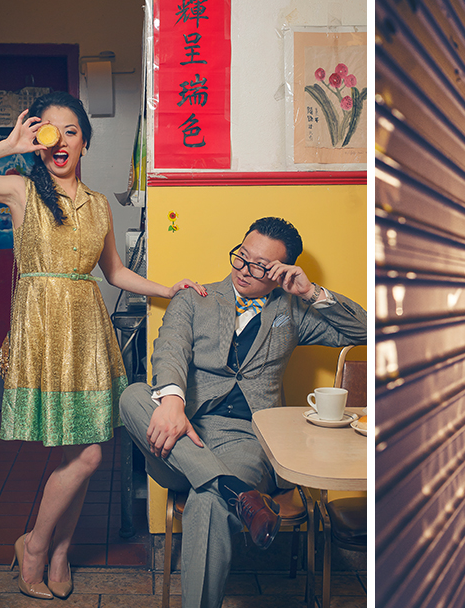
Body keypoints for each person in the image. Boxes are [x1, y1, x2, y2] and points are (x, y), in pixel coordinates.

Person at [0, 91, 206, 600]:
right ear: (40, 143)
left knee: (83, 454)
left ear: (84, 143)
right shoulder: (20, 191)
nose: (59, 140)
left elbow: (117, 273)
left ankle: (56, 551)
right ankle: (36, 546)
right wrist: (10, 144)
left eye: (70, 131)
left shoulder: (100, 205)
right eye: (48, 131)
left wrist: (168, 288)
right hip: (43, 334)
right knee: (84, 457)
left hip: (87, 336)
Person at [118, 216, 367, 608]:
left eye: (260, 266)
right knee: (132, 394)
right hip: (180, 433)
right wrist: (171, 402)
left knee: (207, 503)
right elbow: (170, 349)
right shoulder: (194, 298)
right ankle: (239, 494)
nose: (243, 269)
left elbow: (366, 331)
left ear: (282, 272)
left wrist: (311, 292)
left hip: (246, 440)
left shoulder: (293, 313)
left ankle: (223, 493)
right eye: (241, 256)